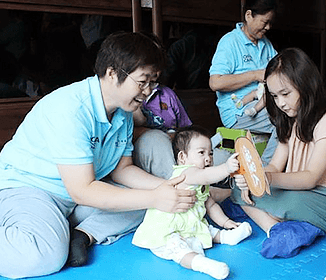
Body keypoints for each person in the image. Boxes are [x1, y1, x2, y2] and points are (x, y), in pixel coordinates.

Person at [0, 31, 197, 279]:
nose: (148, 91)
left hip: (72, 199)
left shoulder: (123, 111)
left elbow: (122, 169)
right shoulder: (71, 109)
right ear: (113, 73)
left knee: (151, 205)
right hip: (31, 190)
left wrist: (167, 187)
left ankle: (80, 234)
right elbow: (82, 190)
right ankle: (53, 235)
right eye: (143, 82)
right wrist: (155, 197)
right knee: (42, 256)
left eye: (153, 82)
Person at [229, 48, 326, 258]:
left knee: (285, 201)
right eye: (274, 96)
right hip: (310, 196)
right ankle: (275, 229)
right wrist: (251, 177)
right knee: (238, 189)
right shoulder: (291, 122)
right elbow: (275, 166)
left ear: (306, 86)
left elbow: (310, 178)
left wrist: (265, 179)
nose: (280, 103)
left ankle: (290, 224)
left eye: (285, 94)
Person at [132, 126, 252, 280]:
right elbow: (207, 175)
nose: (208, 158)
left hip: (189, 225)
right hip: (168, 231)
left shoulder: (201, 181)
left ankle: (226, 236)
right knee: (178, 250)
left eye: (211, 153)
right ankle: (202, 264)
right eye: (201, 153)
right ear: (183, 157)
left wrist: (226, 222)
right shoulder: (187, 173)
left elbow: (211, 205)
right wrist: (226, 168)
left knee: (207, 229)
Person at [209, 0, 278, 165]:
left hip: (264, 104)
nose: (268, 27)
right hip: (238, 111)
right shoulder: (230, 42)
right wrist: (255, 75)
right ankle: (266, 172)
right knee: (284, 119)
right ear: (249, 15)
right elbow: (215, 83)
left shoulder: (266, 44)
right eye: (264, 22)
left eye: (270, 23)